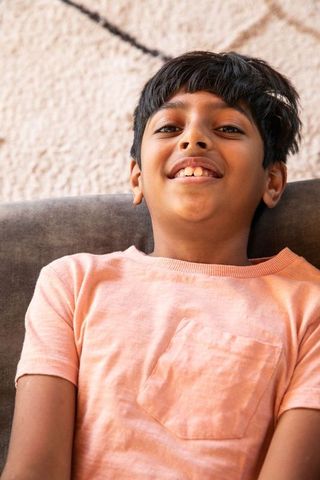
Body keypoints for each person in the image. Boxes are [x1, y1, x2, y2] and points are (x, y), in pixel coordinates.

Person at [2, 51, 320, 480]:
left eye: (227, 127)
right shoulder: (72, 283)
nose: (194, 139)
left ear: (273, 181)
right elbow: (33, 469)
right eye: (170, 127)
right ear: (136, 177)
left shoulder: (309, 305)